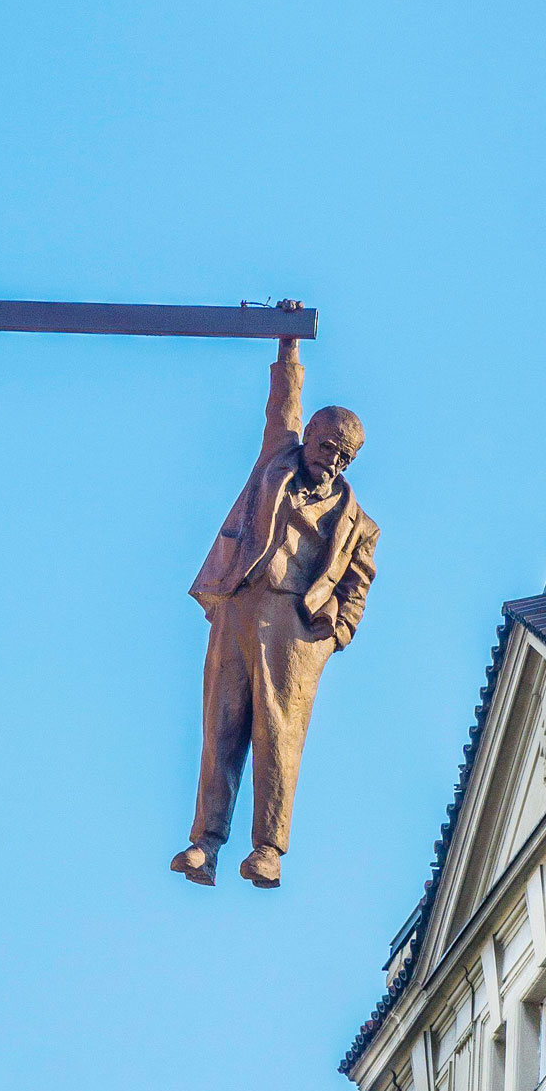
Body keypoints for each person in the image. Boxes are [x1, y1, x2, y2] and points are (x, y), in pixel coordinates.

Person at [172, 322, 378, 888]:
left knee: (278, 737)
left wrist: (336, 632)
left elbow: (358, 586)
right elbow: (282, 407)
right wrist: (288, 349)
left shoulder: (360, 525)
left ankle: (267, 850)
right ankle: (205, 845)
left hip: (296, 628)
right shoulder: (275, 463)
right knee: (222, 728)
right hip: (241, 605)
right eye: (327, 446)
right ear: (308, 437)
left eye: (345, 456)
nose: (333, 461)